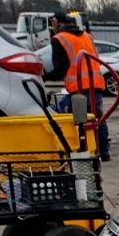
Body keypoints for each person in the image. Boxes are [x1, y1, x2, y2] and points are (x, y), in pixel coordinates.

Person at [44, 12, 111, 161]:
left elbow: (60, 69)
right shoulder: (87, 36)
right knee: (97, 117)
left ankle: (82, 149)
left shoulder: (59, 39)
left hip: (78, 87)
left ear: (58, 23)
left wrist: (43, 77)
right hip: (96, 83)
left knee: (80, 120)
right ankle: (103, 151)